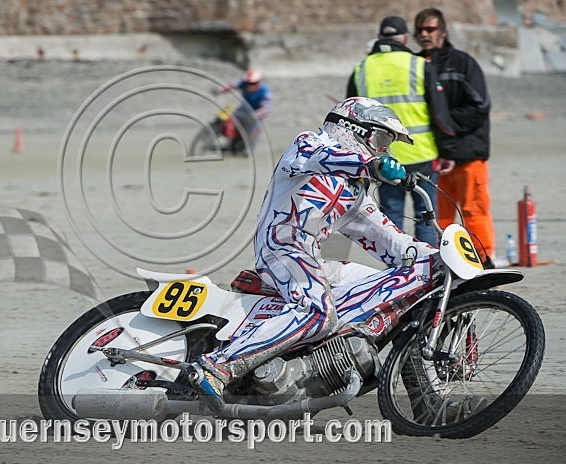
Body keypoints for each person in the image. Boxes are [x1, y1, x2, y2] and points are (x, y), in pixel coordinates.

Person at [191, 97, 438, 412]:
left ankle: (425, 402)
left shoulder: (353, 194)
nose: (384, 150)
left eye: (387, 144)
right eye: (380, 139)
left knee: (402, 290)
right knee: (318, 313)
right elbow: (326, 157)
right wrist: (369, 165)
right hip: (281, 245)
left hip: (312, 257)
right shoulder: (307, 145)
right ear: (351, 128)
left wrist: (442, 260)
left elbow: (390, 240)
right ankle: (217, 366)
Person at [346, 15, 455, 246]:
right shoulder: (419, 65)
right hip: (422, 154)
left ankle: (398, 271)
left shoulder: (362, 69)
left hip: (382, 158)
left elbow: (350, 115)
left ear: (380, 37)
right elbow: (440, 114)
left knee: (391, 218)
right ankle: (426, 270)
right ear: (405, 38)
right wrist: (448, 151)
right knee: (426, 217)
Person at [414, 7, 495, 263]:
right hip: (433, 155)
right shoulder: (415, 64)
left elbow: (480, 106)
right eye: (420, 30)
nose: (425, 34)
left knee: (473, 212)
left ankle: (485, 267)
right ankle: (450, 267)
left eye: (430, 29)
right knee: (441, 219)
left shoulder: (463, 63)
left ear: (443, 31)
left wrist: (443, 123)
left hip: (467, 153)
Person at [216, 67, 272, 153]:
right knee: (230, 118)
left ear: (258, 82)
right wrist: (220, 90)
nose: (250, 85)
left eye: (253, 83)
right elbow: (231, 86)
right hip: (244, 108)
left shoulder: (265, 92)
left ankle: (249, 150)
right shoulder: (244, 83)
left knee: (256, 130)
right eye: (249, 83)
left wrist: (257, 114)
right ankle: (230, 139)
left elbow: (266, 108)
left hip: (257, 113)